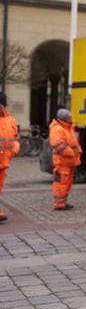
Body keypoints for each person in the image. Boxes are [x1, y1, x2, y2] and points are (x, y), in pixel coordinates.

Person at [49, 108, 81, 211]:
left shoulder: (68, 128)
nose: (70, 119)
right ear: (64, 118)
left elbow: (74, 143)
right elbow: (59, 145)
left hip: (69, 162)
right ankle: (59, 204)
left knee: (66, 183)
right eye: (69, 117)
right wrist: (72, 153)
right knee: (61, 183)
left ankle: (63, 202)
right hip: (62, 162)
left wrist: (78, 151)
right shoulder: (57, 129)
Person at [0, 92, 20, 222]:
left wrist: (15, 149)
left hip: (4, 162)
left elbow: (15, 138)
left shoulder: (10, 120)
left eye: (1, 104)